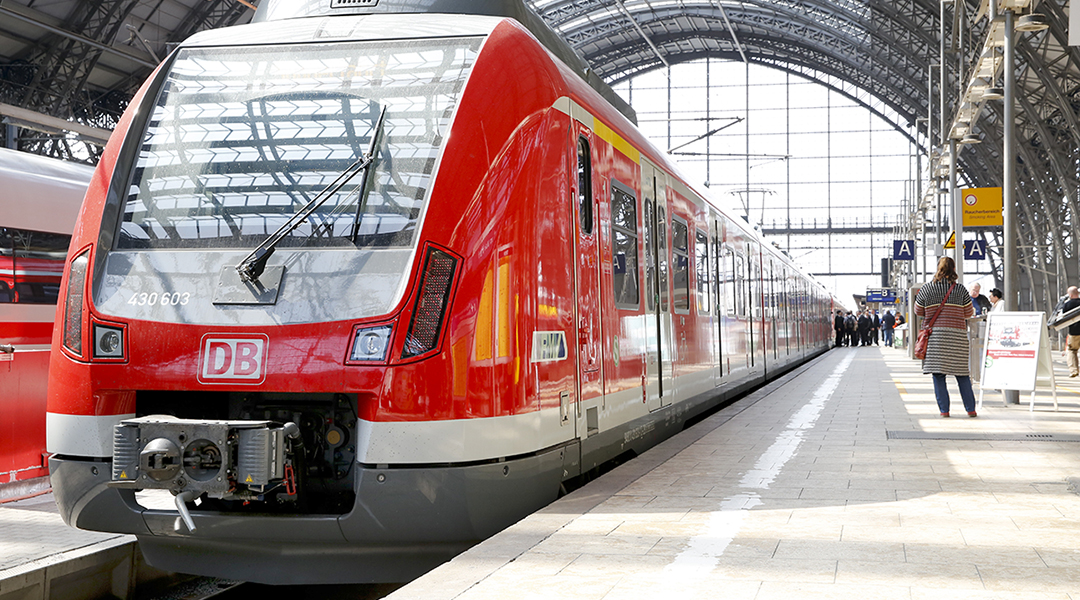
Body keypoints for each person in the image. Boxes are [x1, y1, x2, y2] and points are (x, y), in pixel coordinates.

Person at [915, 256, 977, 417]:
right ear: (954, 269)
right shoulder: (960, 289)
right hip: (957, 337)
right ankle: (970, 409)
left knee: (938, 374)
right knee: (962, 374)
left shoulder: (927, 289)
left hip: (936, 337)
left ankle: (944, 411)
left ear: (938, 269)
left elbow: (918, 311)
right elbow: (969, 313)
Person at [1062, 286, 1080, 377]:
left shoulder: (1067, 304)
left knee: (1072, 350)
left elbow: (1063, 318)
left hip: (1074, 332)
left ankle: (1074, 370)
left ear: (1070, 294)